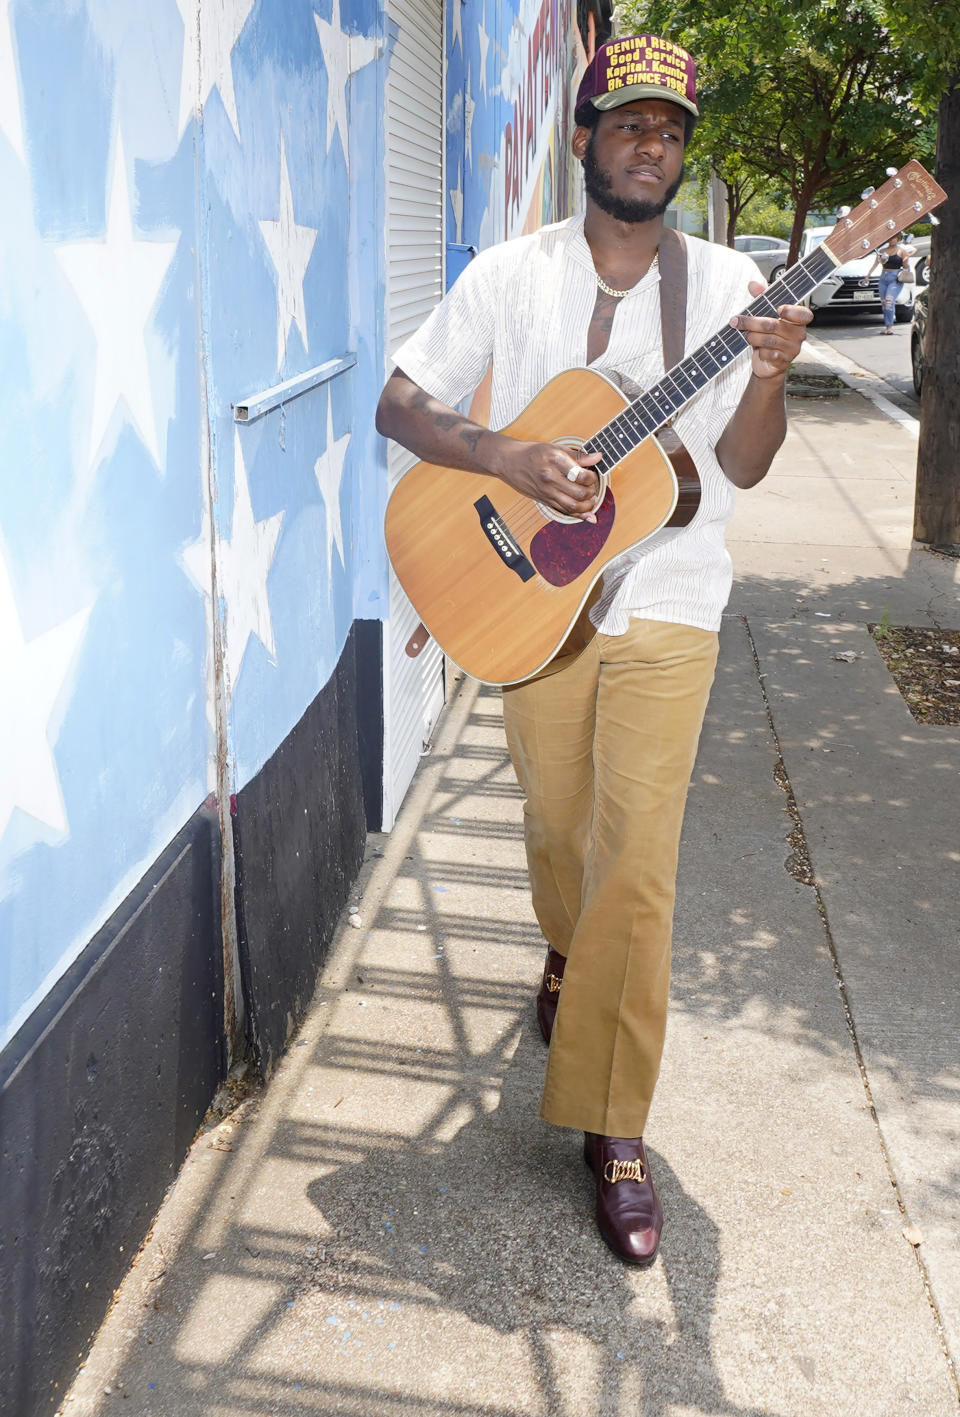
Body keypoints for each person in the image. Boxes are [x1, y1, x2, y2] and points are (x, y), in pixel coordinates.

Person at [375, 34, 811, 1266]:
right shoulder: (511, 277)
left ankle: (614, 1127)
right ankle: (566, 949)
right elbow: (400, 400)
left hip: (670, 597)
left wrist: (771, 374)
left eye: (669, 129)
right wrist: (509, 457)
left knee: (639, 862)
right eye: (627, 122)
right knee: (561, 828)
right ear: (583, 139)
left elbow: (736, 466)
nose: (649, 143)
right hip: (540, 607)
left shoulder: (730, 290)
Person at [862, 231, 916, 333]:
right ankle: (887, 326)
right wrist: (867, 276)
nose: (893, 240)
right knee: (884, 303)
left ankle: (890, 327)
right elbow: (876, 264)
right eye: (890, 238)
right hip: (883, 278)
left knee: (889, 301)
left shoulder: (901, 251)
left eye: (895, 238)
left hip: (895, 278)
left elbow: (906, 266)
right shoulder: (882, 251)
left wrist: (906, 261)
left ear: (898, 239)